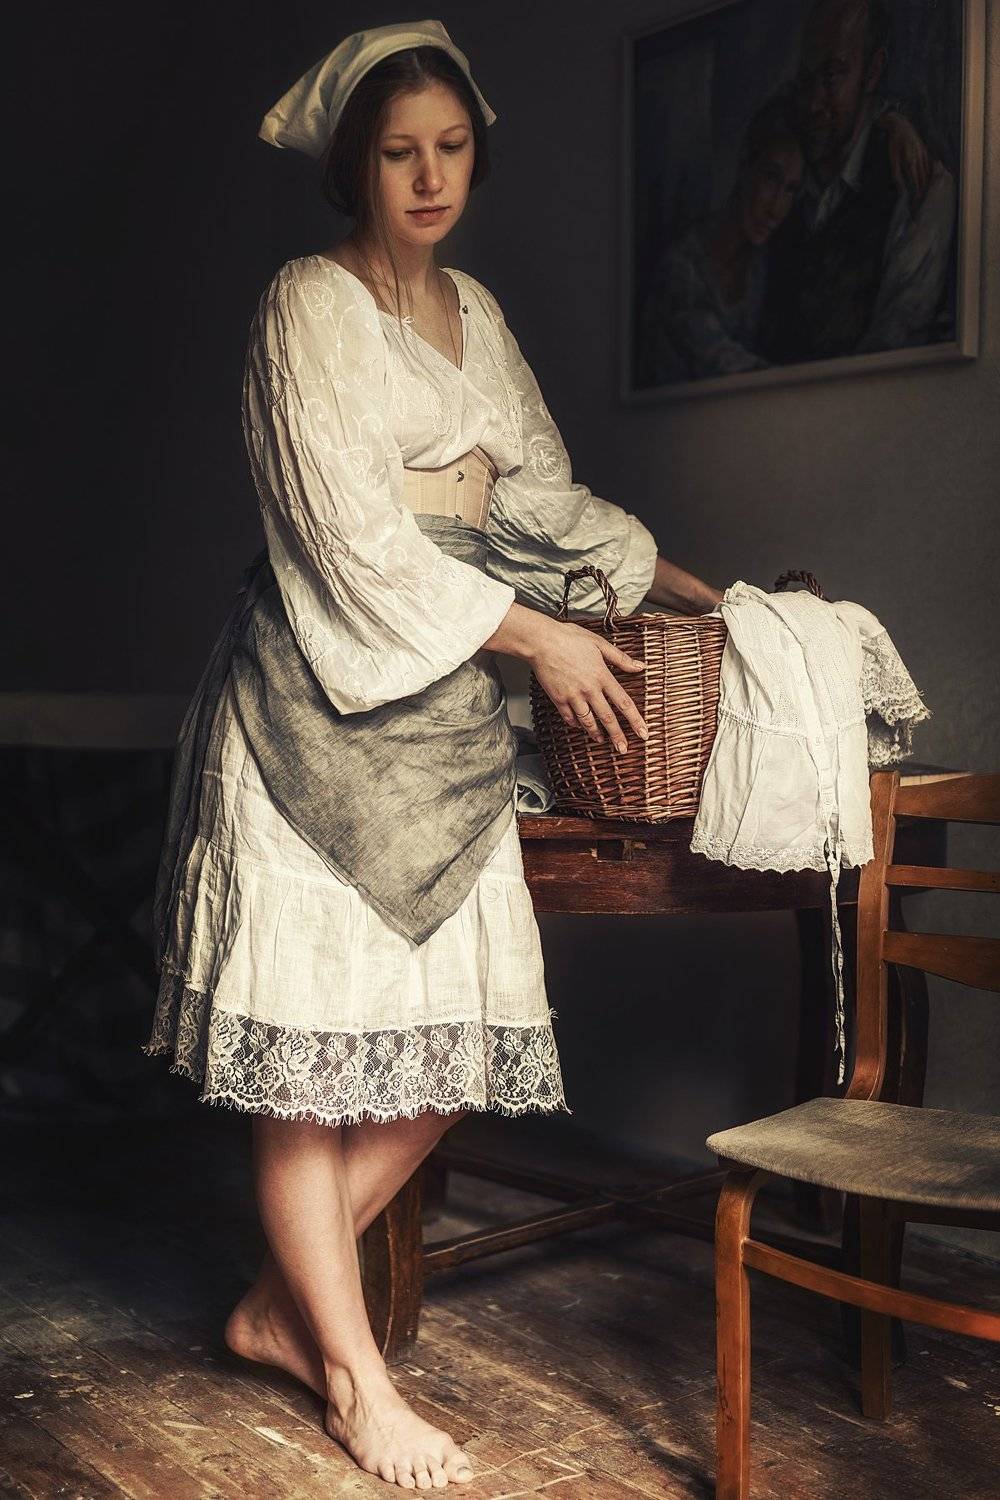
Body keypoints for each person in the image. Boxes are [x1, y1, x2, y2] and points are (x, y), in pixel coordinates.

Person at [145, 19, 723, 1490]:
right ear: (354, 164)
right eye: (399, 152)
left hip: (447, 717)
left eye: (450, 147)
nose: (428, 177)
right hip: (311, 710)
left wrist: (684, 588)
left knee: (448, 1051)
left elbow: (539, 505)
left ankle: (277, 1311)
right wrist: (537, 640)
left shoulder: (478, 312)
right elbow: (344, 540)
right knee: (310, 1065)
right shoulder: (305, 305)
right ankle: (356, 1377)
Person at [762, 0, 957, 363]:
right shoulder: (784, 161)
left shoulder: (920, 188)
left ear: (873, 72)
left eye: (832, 76)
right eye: (807, 79)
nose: (813, 103)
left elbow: (892, 349)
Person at [638, 95, 804, 384]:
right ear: (745, 165)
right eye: (771, 178)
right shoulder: (682, 268)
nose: (776, 208)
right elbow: (718, 359)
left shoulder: (760, 267)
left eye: (790, 190)